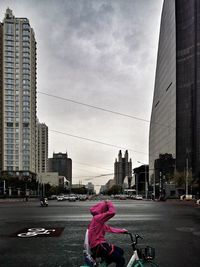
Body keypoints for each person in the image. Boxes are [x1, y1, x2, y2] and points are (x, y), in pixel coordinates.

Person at [87, 200, 128, 267]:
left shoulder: (98, 221)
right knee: (121, 260)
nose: (106, 211)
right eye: (106, 209)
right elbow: (112, 212)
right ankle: (107, 260)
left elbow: (109, 229)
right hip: (98, 245)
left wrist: (122, 231)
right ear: (102, 209)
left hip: (99, 244)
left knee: (120, 251)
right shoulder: (98, 218)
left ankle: (105, 262)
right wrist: (109, 202)